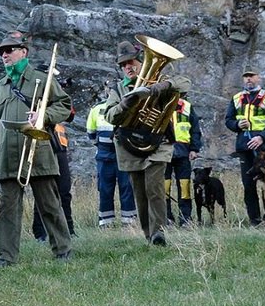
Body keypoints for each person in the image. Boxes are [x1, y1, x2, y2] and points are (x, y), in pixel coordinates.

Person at [0, 30, 72, 265]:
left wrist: (44, 115)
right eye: (2, 51)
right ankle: (6, 257)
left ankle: (62, 250)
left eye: (9, 50)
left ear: (24, 52)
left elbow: (65, 106)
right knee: (7, 210)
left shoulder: (42, 79)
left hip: (38, 149)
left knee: (49, 204)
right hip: (8, 156)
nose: (4, 55)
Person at [105, 44, 190, 245]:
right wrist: (124, 105)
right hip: (129, 145)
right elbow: (109, 115)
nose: (128, 67)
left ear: (140, 61)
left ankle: (159, 232)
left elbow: (185, 83)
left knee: (155, 188)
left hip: (158, 143)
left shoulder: (158, 80)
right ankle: (148, 234)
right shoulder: (117, 89)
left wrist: (161, 87)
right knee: (140, 193)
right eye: (123, 64)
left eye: (131, 62)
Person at [225, 68, 265, 225]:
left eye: (251, 76)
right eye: (246, 77)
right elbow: (228, 120)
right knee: (248, 184)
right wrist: (237, 124)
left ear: (258, 78)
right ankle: (254, 220)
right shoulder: (236, 98)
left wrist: (261, 137)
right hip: (244, 147)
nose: (248, 79)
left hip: (264, 147)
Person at [85, 99, 137, 227]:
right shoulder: (97, 109)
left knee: (125, 188)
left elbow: (91, 135)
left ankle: (128, 221)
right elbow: (90, 132)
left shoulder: (126, 107)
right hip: (106, 156)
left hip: (121, 155)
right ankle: (107, 222)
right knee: (106, 189)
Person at [31, 109, 78, 241]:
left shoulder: (58, 95)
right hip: (41, 145)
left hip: (59, 146)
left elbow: (70, 114)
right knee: (43, 190)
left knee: (64, 191)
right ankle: (40, 232)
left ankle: (69, 230)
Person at [167, 94, 203, 225]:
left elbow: (195, 130)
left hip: (183, 151)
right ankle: (167, 217)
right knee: (164, 188)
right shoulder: (158, 104)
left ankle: (185, 218)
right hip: (163, 151)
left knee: (185, 186)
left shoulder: (187, 106)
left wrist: (194, 149)